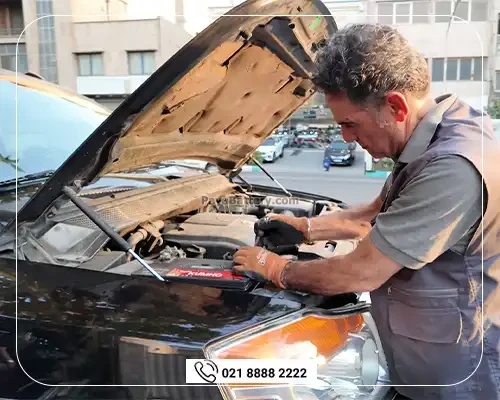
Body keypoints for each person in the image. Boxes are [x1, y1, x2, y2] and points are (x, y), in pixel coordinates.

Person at [232, 24, 500, 400]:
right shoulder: (434, 135)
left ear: (396, 106)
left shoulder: (452, 166)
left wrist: (276, 268)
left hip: (461, 380)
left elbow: (361, 272)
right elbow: (370, 216)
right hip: (428, 364)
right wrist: (304, 227)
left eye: (350, 123)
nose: (345, 137)